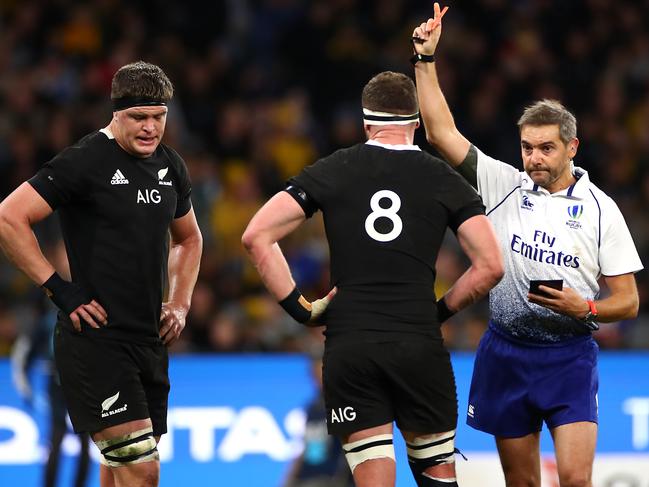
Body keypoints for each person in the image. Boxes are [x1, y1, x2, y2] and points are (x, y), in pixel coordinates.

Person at [412, 4, 643, 486]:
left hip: (570, 355)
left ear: (572, 147)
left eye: (546, 148)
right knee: (522, 483)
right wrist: (425, 60)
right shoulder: (504, 184)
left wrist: (586, 308)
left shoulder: (602, 210)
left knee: (576, 480)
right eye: (527, 148)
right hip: (506, 351)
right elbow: (439, 133)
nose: (534, 159)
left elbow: (628, 300)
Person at [242, 70, 504, 487]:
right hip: (417, 342)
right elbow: (491, 265)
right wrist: (437, 312)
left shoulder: (333, 169)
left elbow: (257, 236)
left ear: (366, 125)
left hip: (350, 345)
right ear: (416, 124)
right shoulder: (443, 178)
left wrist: (302, 310)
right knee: (437, 477)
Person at [0, 61, 203, 487]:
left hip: (148, 341)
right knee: (142, 471)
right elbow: (8, 217)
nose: (150, 128)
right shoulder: (85, 160)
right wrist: (59, 289)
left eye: (158, 117)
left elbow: (188, 240)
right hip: (96, 342)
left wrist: (180, 304)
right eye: (139, 118)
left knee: (117, 469)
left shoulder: (171, 166)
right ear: (116, 113)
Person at [282, 355, 355, 487]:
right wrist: (289, 479)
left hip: (331, 477)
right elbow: (306, 445)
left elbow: (351, 446)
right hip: (307, 476)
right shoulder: (313, 407)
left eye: (322, 371)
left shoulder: (344, 404)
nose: (319, 378)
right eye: (315, 373)